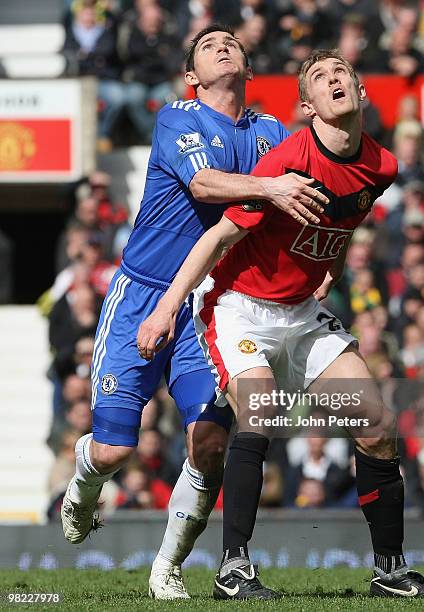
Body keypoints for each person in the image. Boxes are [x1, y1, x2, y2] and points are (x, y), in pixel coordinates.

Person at [138, 49, 424, 599]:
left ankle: (391, 571)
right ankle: (234, 570)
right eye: (321, 79)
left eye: (342, 74)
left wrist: (325, 267)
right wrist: (166, 309)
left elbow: (343, 218)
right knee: (257, 416)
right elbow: (216, 239)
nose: (335, 81)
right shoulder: (287, 163)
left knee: (377, 427)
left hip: (302, 312)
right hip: (239, 304)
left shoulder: (383, 166)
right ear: (306, 106)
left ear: (362, 92)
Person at [60, 24, 327, 601]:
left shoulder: (271, 133)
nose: (224, 46)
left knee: (208, 442)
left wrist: (321, 260)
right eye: (209, 46)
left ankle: (168, 566)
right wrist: (272, 188)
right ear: (191, 76)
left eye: (233, 43)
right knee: (114, 449)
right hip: (144, 296)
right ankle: (85, 478)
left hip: (213, 306)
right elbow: (206, 185)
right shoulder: (176, 117)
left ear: (249, 70)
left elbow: (300, 203)